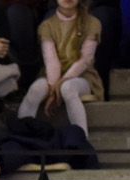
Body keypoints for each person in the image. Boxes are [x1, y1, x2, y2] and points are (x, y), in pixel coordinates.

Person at [19, 0, 101, 134]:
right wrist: (53, 89)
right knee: (36, 89)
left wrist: (60, 84)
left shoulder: (92, 23)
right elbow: (51, 61)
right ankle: (22, 135)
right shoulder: (47, 26)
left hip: (82, 77)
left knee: (67, 88)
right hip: (52, 76)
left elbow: (85, 60)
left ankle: (81, 139)